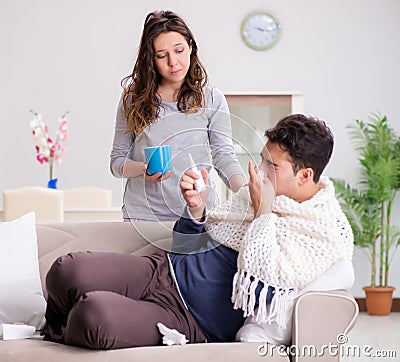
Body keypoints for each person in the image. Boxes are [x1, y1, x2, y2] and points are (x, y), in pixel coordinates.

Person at [42, 114, 354, 349]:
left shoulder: (321, 232)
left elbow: (265, 279)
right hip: (162, 268)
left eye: (272, 165)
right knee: (66, 270)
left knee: (93, 317)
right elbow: (188, 243)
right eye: (261, 159)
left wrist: (264, 214)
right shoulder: (253, 194)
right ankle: (53, 326)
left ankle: (62, 327)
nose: (258, 172)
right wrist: (196, 210)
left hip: (188, 319)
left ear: (306, 175)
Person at [110, 10, 246, 221]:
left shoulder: (211, 99)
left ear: (190, 47)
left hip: (198, 214)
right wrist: (142, 169)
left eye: (179, 50)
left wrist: (247, 193)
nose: (173, 62)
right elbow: (117, 163)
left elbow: (224, 157)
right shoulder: (132, 99)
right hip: (143, 217)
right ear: (151, 60)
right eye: (162, 56)